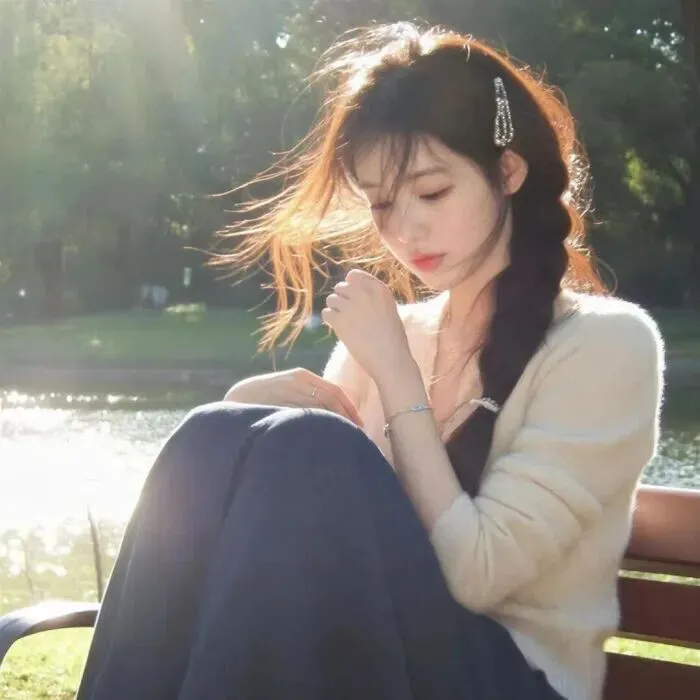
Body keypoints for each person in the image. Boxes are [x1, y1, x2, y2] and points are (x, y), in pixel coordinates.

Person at [75, 21, 664, 700]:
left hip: (513, 680)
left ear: (508, 171)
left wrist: (397, 378)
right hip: (370, 662)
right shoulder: (394, 333)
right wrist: (247, 414)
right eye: (381, 202)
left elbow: (477, 575)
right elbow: (303, 537)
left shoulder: (604, 345)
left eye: (432, 192)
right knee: (213, 432)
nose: (404, 228)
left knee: (311, 446)